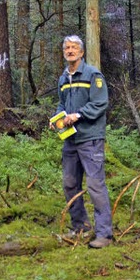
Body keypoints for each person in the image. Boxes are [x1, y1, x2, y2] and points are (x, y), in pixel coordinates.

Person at [53, 34, 113, 249]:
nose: (70, 51)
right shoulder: (63, 78)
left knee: (95, 185)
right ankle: (80, 227)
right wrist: (58, 119)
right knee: (70, 184)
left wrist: (77, 115)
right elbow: (62, 105)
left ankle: (105, 234)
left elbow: (100, 103)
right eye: (66, 48)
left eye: (73, 48)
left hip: (90, 139)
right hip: (70, 140)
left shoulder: (92, 75)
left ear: (81, 52)